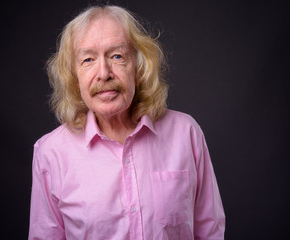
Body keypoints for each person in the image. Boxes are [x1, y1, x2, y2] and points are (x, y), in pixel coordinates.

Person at [28, 4, 225, 240]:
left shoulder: (186, 133)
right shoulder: (51, 153)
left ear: (139, 67)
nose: (104, 73)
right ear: (74, 76)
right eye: (88, 59)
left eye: (117, 56)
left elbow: (210, 232)